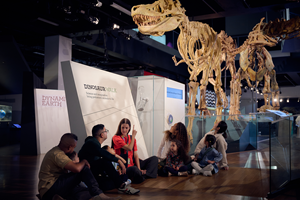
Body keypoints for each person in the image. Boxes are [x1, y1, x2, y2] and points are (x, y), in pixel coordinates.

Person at [38, 133, 117, 200]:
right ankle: (99, 195)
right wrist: (83, 161)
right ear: (69, 147)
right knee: (83, 169)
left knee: (86, 192)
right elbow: (77, 169)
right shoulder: (57, 154)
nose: (74, 150)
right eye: (74, 147)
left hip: (53, 190)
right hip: (49, 189)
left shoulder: (56, 151)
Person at [78, 124, 139, 195]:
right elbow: (101, 152)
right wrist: (118, 161)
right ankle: (122, 186)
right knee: (104, 162)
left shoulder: (94, 144)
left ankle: (120, 185)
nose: (107, 132)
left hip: (92, 174)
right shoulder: (91, 142)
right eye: (105, 131)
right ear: (102, 135)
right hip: (86, 174)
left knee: (111, 182)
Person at [112, 118, 158, 184]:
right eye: (122, 128)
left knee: (154, 159)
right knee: (134, 169)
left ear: (129, 128)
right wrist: (133, 136)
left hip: (133, 163)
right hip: (124, 166)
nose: (124, 130)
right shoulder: (116, 138)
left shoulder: (131, 138)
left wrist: (139, 169)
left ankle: (143, 174)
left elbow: (135, 155)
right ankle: (144, 175)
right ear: (120, 128)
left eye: (126, 128)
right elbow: (129, 148)